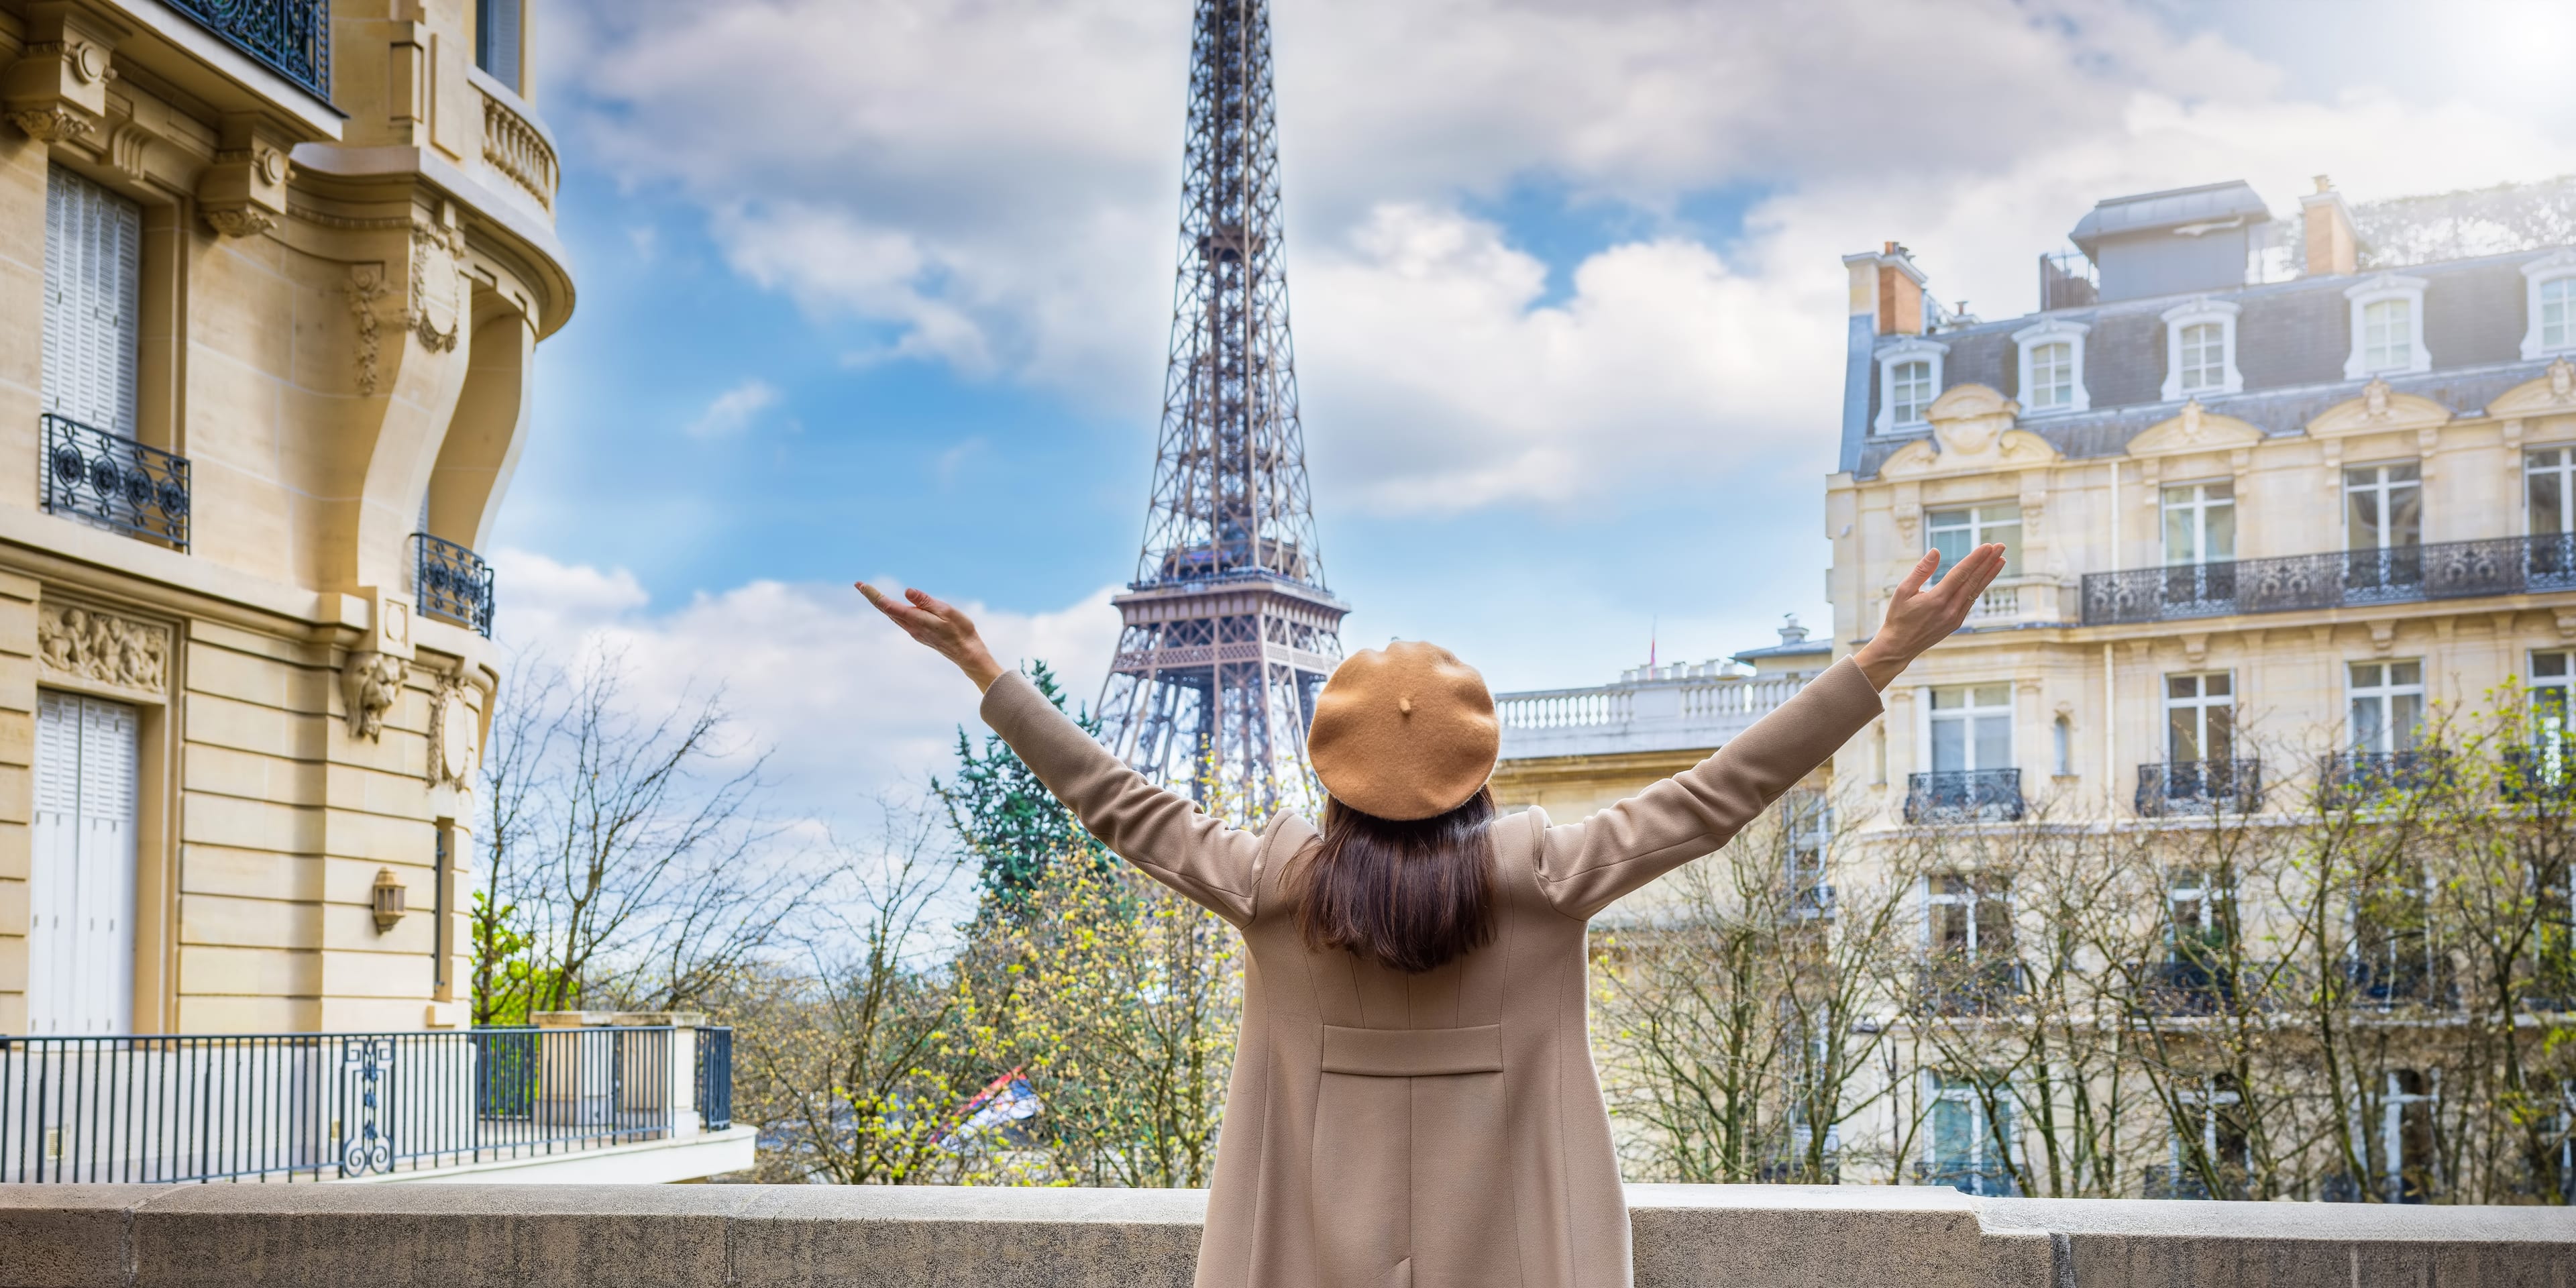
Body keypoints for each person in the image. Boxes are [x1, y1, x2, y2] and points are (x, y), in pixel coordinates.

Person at [860, 541, 2007, 1288]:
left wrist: (987, 672)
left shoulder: (1272, 885)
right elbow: (1724, 793)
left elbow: (1117, 804)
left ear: (1329, 768)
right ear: (1481, 765)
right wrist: (1883, 657)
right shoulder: (1550, 876)